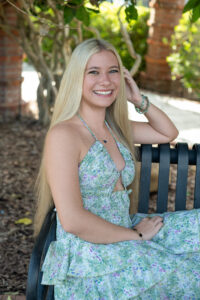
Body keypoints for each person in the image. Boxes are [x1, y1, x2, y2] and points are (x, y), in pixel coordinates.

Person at [34, 38, 200, 299]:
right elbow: (74, 220)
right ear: (77, 78)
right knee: (192, 274)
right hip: (92, 254)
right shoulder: (64, 135)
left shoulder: (115, 126)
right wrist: (135, 234)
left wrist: (137, 99)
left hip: (125, 230)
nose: (106, 81)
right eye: (94, 72)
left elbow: (168, 132)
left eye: (113, 71)